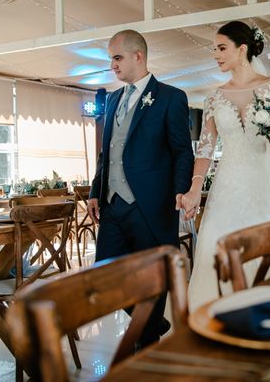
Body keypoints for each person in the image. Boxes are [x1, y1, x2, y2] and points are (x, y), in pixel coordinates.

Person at [177, 20, 270, 311]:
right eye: (214, 49)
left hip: (269, 185)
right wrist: (194, 189)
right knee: (218, 248)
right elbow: (206, 147)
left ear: (243, 49)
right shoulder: (213, 97)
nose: (216, 54)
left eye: (222, 48)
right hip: (229, 187)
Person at [88, 29, 194, 348]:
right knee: (103, 279)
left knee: (153, 280)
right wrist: (95, 190)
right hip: (113, 204)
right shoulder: (112, 98)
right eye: (110, 60)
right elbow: (107, 153)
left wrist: (181, 190)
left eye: (117, 58)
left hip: (153, 204)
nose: (113, 66)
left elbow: (181, 151)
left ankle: (145, 349)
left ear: (139, 56)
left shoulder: (171, 97)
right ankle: (154, 323)